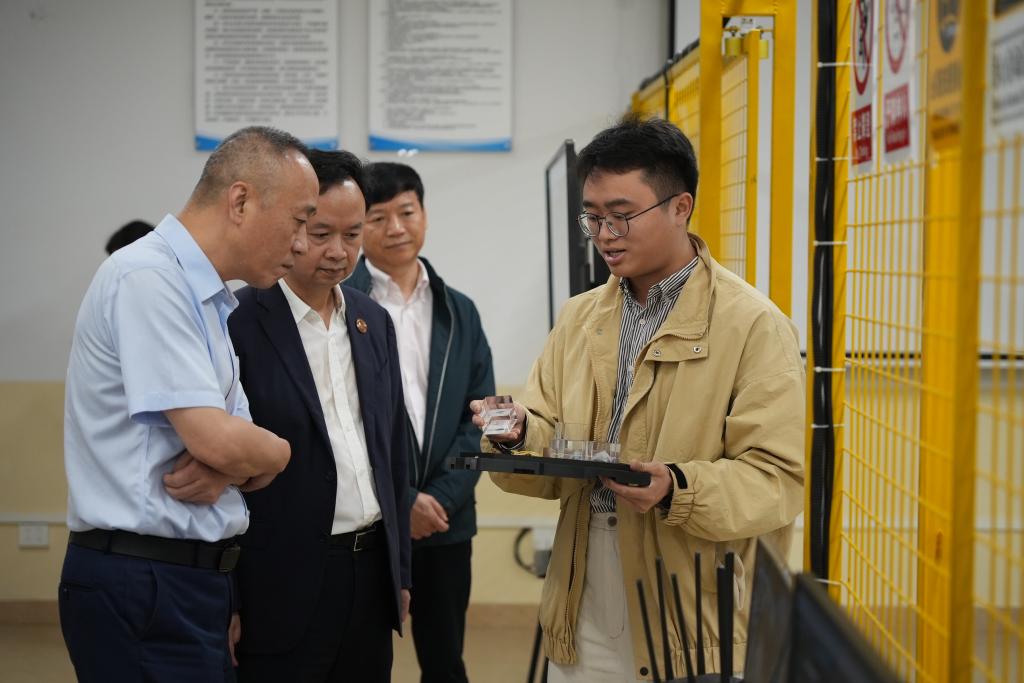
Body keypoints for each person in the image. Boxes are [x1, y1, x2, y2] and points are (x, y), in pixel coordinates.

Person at [471, 115, 804, 682]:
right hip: (583, 580)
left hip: (689, 597)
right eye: (593, 217)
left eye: (621, 215)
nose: (605, 235)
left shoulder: (752, 325)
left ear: (681, 207)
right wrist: (520, 432)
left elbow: (777, 482)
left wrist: (677, 486)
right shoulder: (579, 318)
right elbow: (552, 436)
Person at [60, 126, 318, 682]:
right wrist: (278, 452)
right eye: (299, 221)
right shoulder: (150, 278)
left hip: (188, 579)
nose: (303, 244)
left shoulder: (209, 299)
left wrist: (242, 457)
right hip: (142, 577)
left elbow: (235, 440)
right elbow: (221, 441)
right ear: (241, 201)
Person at [227, 150, 413, 683]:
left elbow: (393, 451)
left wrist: (399, 571)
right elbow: (224, 473)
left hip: (369, 570)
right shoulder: (240, 320)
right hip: (279, 579)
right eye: (321, 233)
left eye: (352, 235)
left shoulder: (372, 321)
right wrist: (228, 597)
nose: (338, 251)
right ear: (292, 225)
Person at [346, 161, 495, 683]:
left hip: (446, 522)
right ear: (359, 227)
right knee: (359, 661)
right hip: (368, 523)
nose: (396, 228)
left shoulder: (459, 310)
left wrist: (439, 500)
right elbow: (342, 419)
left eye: (406, 212)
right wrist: (401, 500)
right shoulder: (342, 303)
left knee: (445, 662)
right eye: (378, 217)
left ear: (424, 215)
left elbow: (482, 415)